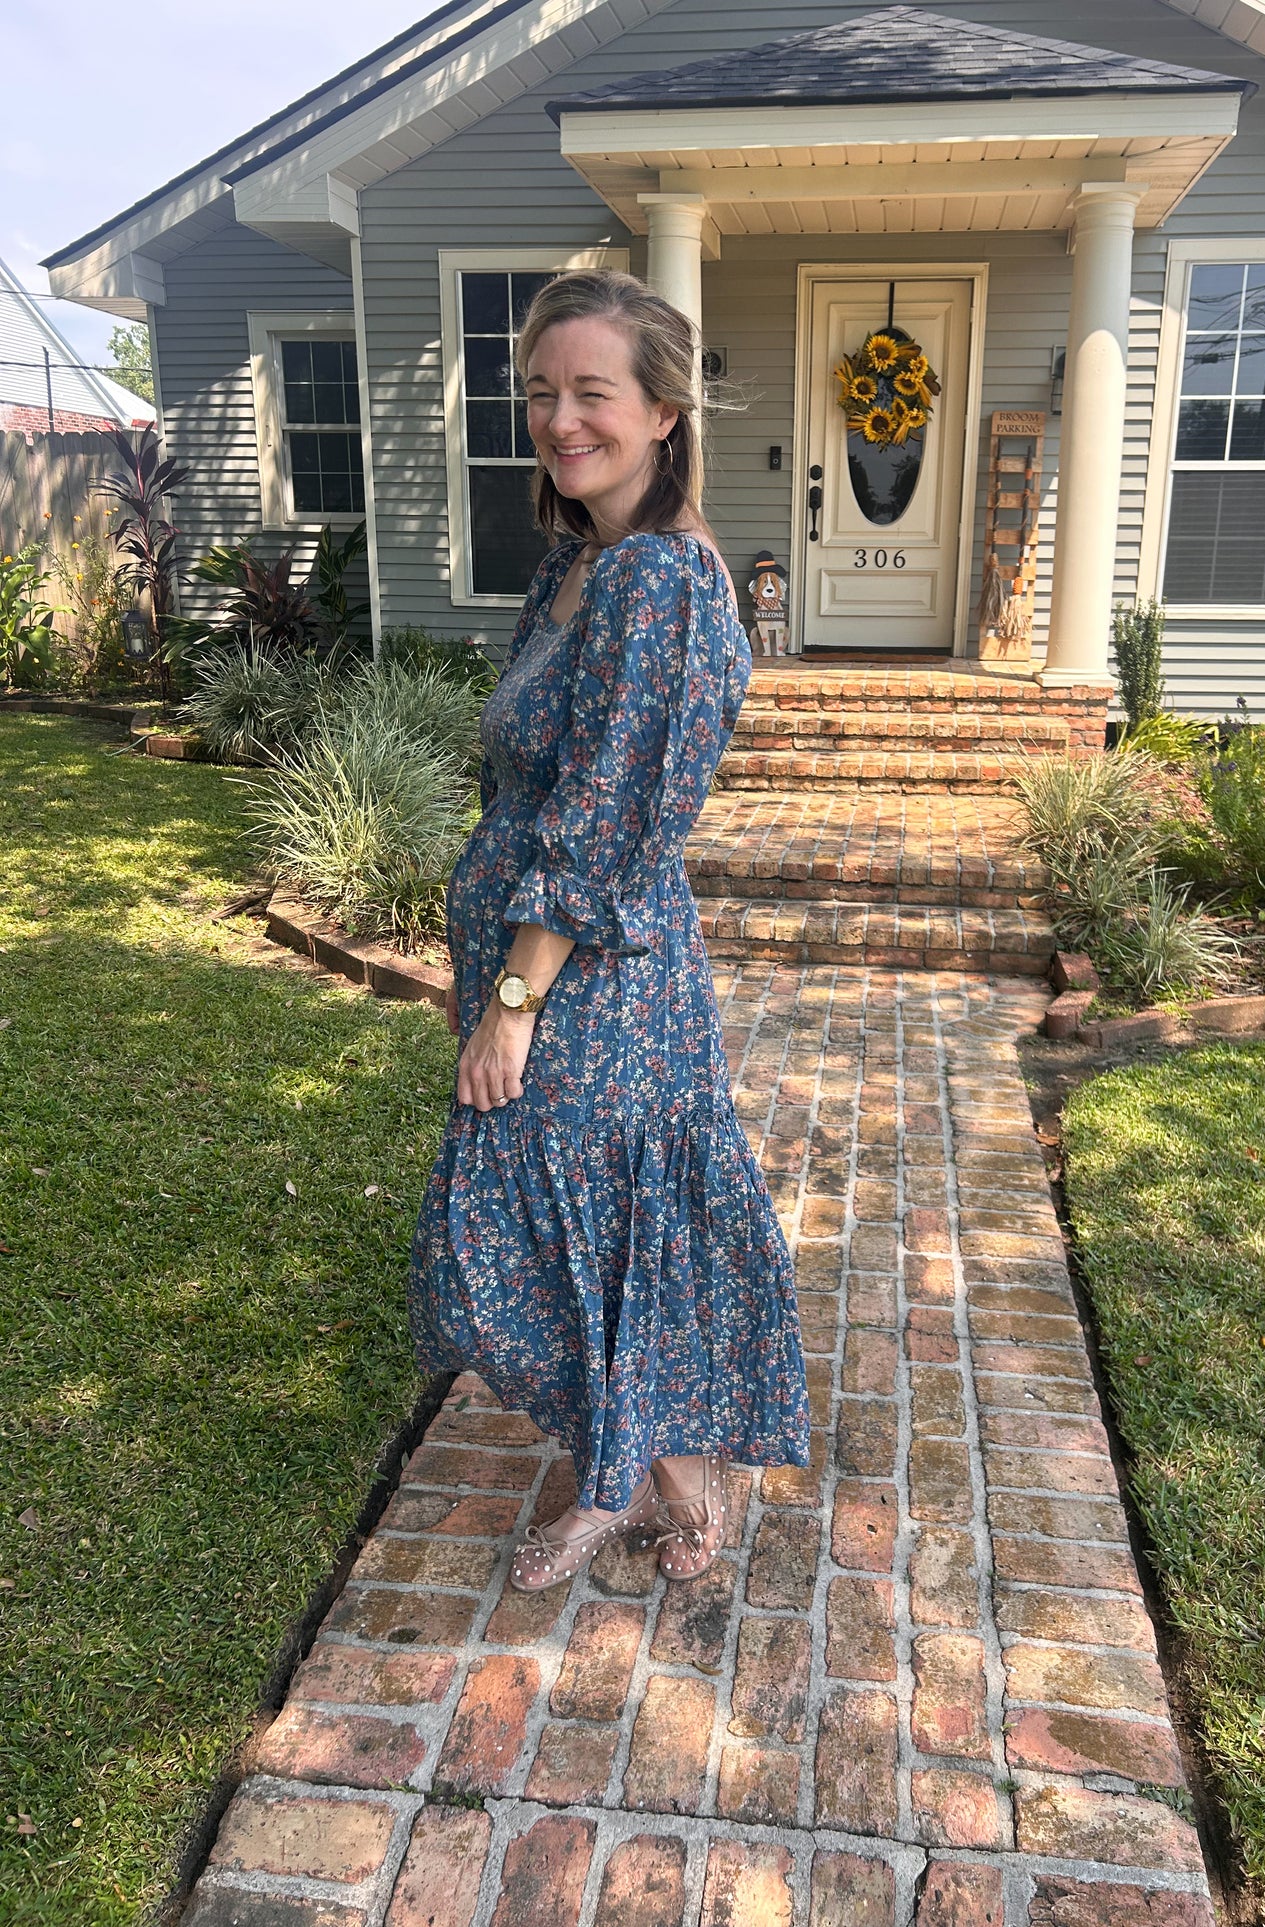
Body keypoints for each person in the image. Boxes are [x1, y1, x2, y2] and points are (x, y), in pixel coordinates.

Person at [408, 268, 811, 1592]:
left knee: (568, 1244)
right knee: (579, 1245)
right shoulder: (577, 566)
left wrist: (513, 1006)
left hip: (593, 988)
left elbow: (604, 819)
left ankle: (664, 1486)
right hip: (549, 968)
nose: (560, 419)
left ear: (663, 411)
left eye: (592, 391)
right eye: (540, 392)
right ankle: (629, 1472)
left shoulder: (658, 582)